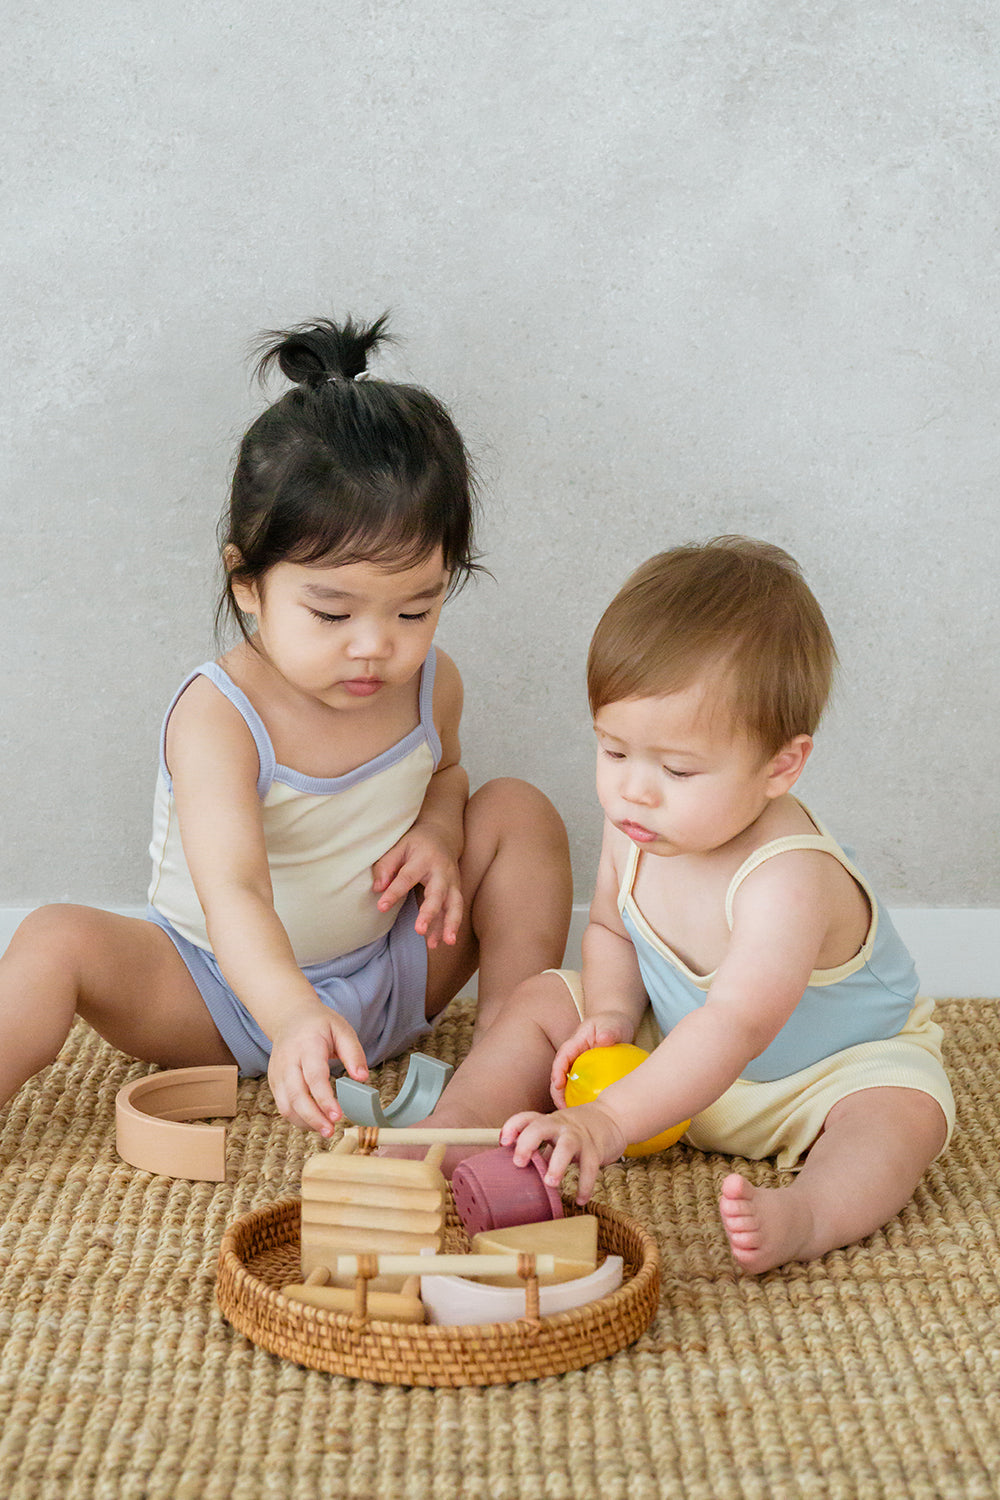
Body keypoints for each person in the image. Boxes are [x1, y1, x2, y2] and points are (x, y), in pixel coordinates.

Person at [0, 314, 572, 1137]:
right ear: (247, 583)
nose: (377, 646)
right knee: (56, 938)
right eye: (332, 612)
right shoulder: (219, 717)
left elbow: (446, 776)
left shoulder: (431, 683)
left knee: (520, 811)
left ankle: (505, 1059)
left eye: (416, 608)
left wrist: (442, 833)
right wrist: (293, 1013)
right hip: (217, 993)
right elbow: (231, 890)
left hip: (390, 972)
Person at [422, 536, 954, 1272]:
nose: (634, 789)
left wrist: (608, 1118)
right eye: (613, 751)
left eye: (677, 768)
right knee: (545, 1002)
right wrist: (610, 1012)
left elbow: (737, 1025)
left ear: (781, 766)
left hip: (814, 1076)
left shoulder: (788, 878)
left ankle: (808, 1214)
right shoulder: (638, 822)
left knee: (900, 1117)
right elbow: (611, 924)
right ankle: (452, 1129)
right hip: (674, 1047)